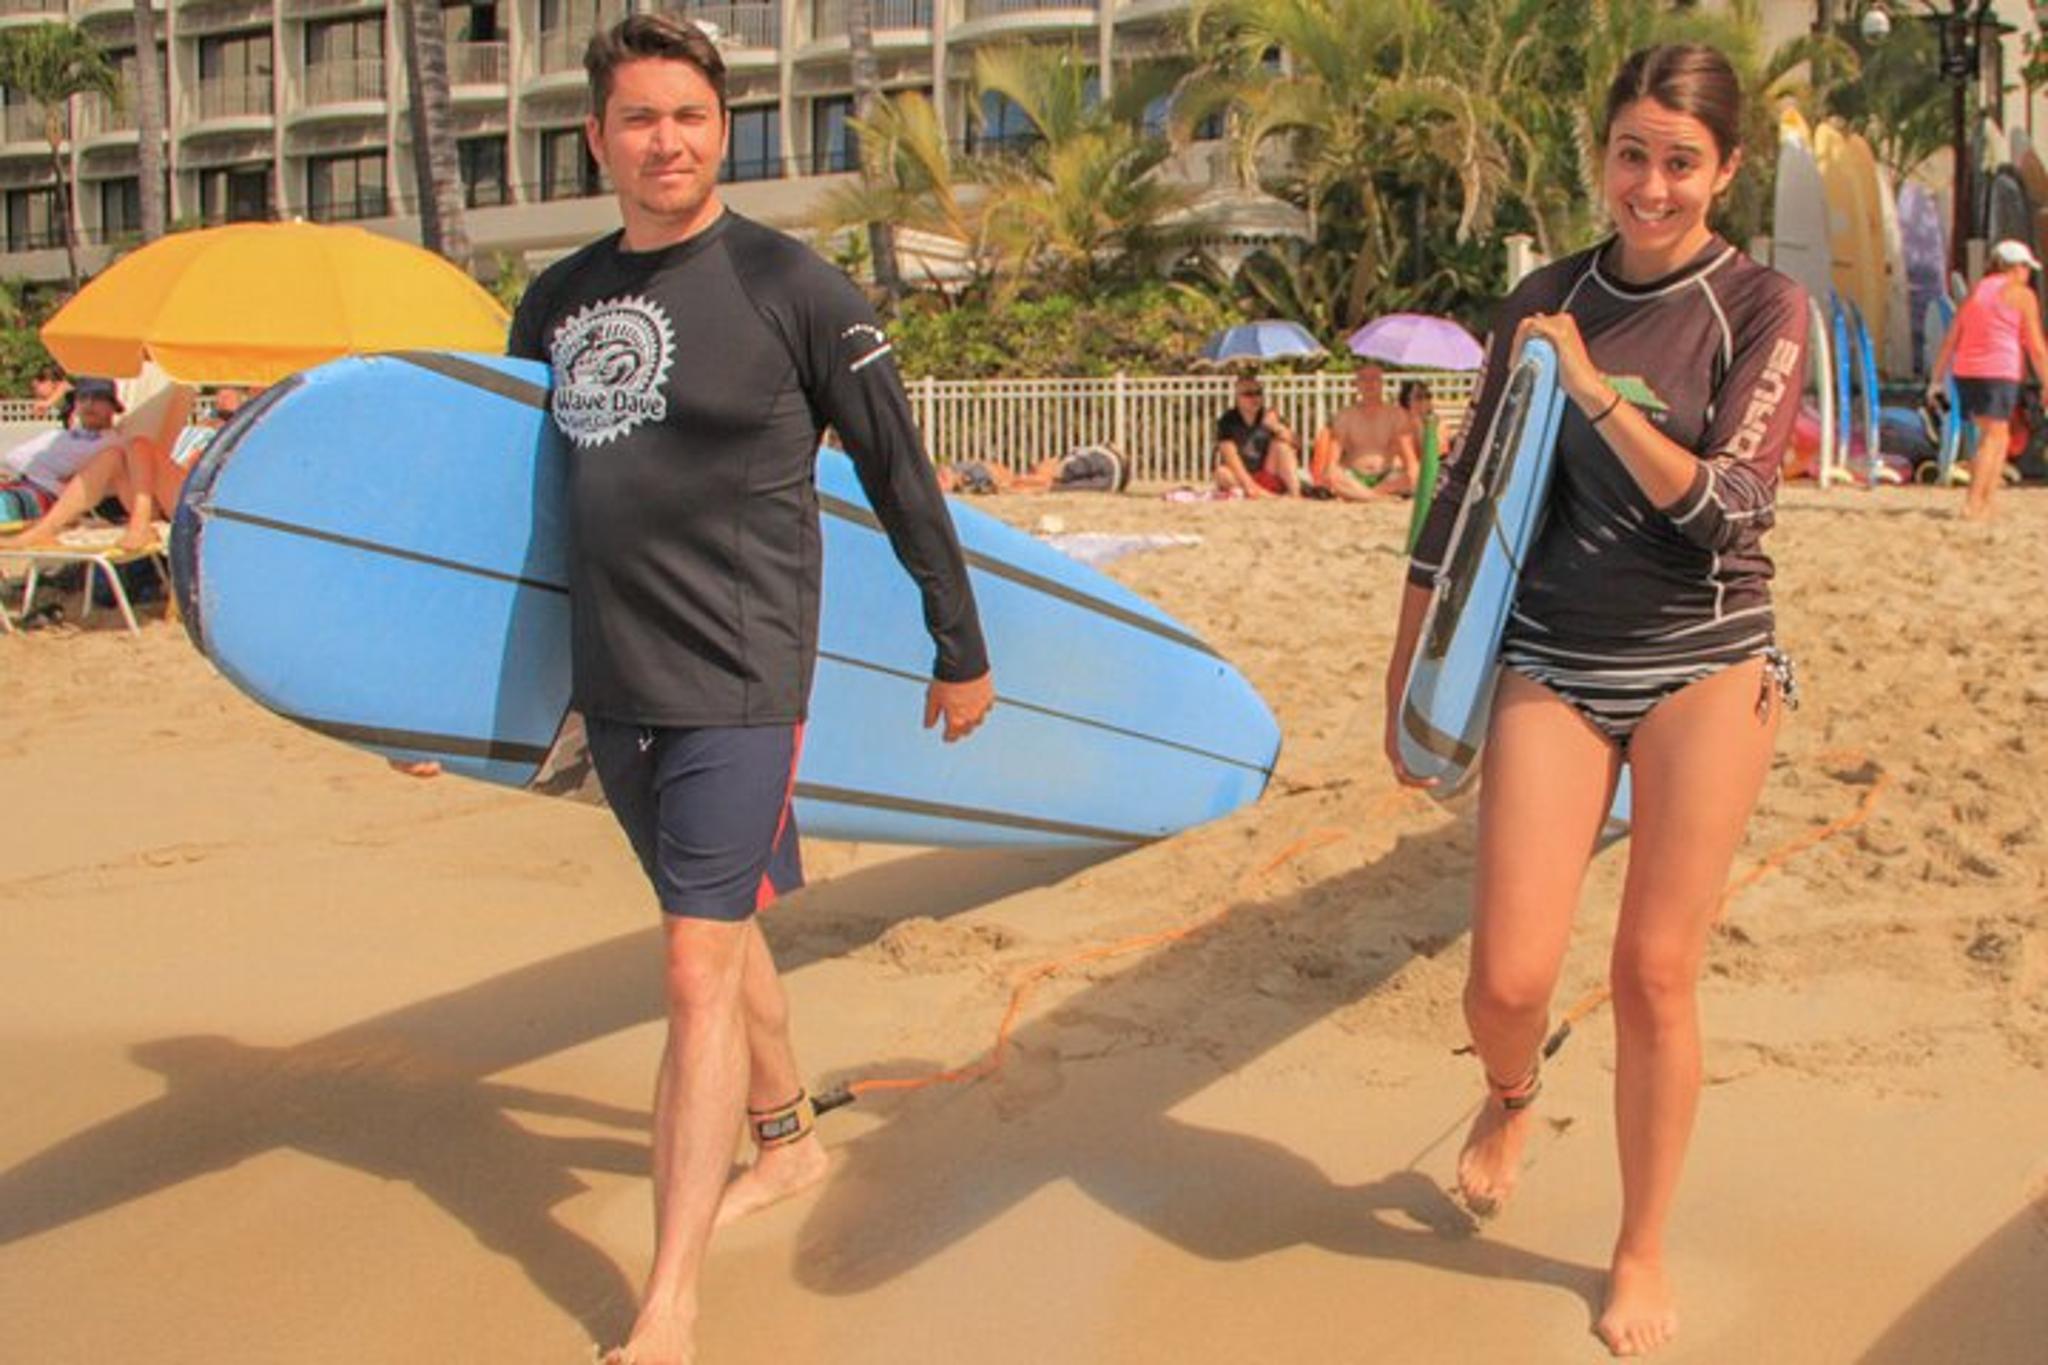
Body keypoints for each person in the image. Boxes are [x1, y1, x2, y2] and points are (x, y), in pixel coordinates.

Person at [500, 16, 993, 1364]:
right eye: (640, 118)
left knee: (690, 959)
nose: (668, 139)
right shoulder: (554, 303)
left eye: (693, 117)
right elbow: (508, 518)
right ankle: (784, 1140)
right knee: (716, 925)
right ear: (597, 137)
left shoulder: (799, 289)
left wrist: (960, 644)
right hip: (613, 682)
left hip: (738, 670)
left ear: (727, 131)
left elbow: (901, 475)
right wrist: (463, 710)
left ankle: (668, 1301)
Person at [1384, 45, 1807, 1358]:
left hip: (1707, 656)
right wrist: (1408, 684)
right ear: (1604, 154)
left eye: (1682, 161)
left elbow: (1728, 506)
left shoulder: (1761, 305)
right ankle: (1514, 1091)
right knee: (1505, 979)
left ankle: (1637, 1245)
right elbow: (1457, 504)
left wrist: (1594, 394)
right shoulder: (1543, 294)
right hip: (1555, 656)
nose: (1652, 185)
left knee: (1651, 969)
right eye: (1633, 153)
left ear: (1723, 170)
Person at [7, 385, 237, 551]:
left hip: (206, 509)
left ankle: (141, 522)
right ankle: (45, 530)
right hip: (164, 498)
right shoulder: (202, 429)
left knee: (137, 445)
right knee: (115, 455)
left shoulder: (243, 431)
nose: (223, 397)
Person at [1925, 237, 2048, 519]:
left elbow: (1952, 336)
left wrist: (1937, 379)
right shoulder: (2021, 295)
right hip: (1999, 371)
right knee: (1992, 438)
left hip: (1967, 372)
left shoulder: (1978, 291)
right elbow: (2036, 346)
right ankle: (1973, 503)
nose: (2027, 275)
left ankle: (1987, 501)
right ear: (2015, 268)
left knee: (1999, 435)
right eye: (2026, 268)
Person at [0, 377, 132, 528]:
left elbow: (74, 476)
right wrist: (49, 471)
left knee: (3, 505)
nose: (89, 404)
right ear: (76, 405)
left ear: (113, 406)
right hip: (20, 484)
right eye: (83, 398)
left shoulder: (115, 445)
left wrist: (41, 465)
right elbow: (12, 457)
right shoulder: (58, 435)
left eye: (98, 398)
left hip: (53, 498)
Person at [1310, 362, 1419, 500]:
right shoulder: (1345, 416)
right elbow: (1332, 461)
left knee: (1414, 474)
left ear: (1381, 383)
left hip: (1387, 478)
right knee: (1333, 475)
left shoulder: (1396, 415)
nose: (1369, 384)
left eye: (1374, 379)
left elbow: (1409, 458)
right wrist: (1331, 473)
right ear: (1356, 384)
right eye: (1364, 379)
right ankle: (1377, 498)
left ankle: (1364, 496)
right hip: (1354, 476)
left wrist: (1413, 474)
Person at [1212, 373, 1302, 496]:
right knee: (1221, 473)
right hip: (1242, 476)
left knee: (1282, 446)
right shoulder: (1228, 420)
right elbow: (1229, 455)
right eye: (1248, 394)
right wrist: (1248, 483)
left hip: (1268, 472)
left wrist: (1277, 428)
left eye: (1258, 393)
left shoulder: (1269, 415)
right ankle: (1265, 495)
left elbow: (1297, 444)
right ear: (1237, 397)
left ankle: (1295, 493)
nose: (1255, 398)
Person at [938, 443, 1129, 495]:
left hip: (1111, 469)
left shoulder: (1064, 460)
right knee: (1053, 486)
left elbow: (1047, 476)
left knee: (1050, 481)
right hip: (1114, 477)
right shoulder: (1074, 460)